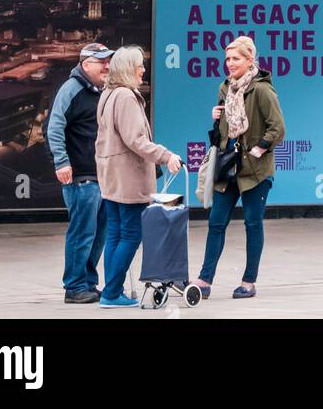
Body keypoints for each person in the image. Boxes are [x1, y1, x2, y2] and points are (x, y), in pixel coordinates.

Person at [191, 35, 286, 301]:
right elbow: (224, 133)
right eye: (227, 59)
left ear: (249, 60)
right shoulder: (225, 89)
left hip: (255, 171)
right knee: (216, 222)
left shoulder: (263, 90)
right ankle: (204, 279)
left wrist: (260, 148)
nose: (230, 64)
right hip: (228, 166)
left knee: (252, 223)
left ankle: (248, 281)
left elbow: (277, 128)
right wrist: (216, 120)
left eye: (236, 59)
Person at [95, 45, 182, 308]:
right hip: (128, 177)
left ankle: (112, 289)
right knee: (131, 234)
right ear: (127, 69)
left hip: (111, 176)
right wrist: (166, 156)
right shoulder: (125, 97)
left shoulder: (108, 94)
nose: (143, 69)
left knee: (115, 233)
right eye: (139, 65)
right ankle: (111, 293)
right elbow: (136, 140)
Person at [46, 41, 113, 305]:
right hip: (81, 179)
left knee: (98, 235)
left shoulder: (102, 91)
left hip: (103, 177)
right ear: (86, 65)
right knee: (82, 233)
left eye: (108, 61)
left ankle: (87, 283)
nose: (107, 66)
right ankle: (74, 287)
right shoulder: (71, 89)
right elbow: (54, 127)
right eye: (101, 62)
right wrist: (61, 162)